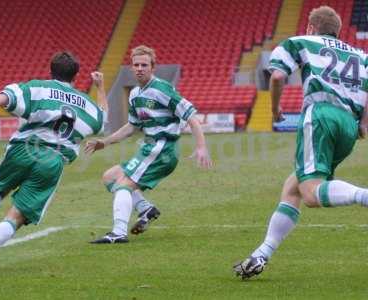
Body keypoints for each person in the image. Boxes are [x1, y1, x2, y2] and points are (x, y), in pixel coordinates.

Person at [234, 6, 368, 279]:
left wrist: (274, 109)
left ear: (310, 27)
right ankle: (262, 254)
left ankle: (364, 196)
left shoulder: (300, 41)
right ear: (337, 31)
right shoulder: (359, 55)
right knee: (293, 186)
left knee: (310, 192)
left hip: (320, 114)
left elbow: (279, 75)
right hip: (348, 125)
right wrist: (363, 124)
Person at [0, 51, 108, 274]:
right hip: (52, 161)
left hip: (24, 148)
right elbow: (102, 121)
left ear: (50, 70)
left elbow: (9, 95)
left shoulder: (39, 87)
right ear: (76, 76)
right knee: (17, 217)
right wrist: (100, 87)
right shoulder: (86, 104)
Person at [85, 45, 212, 243]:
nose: (139, 68)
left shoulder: (162, 89)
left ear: (153, 67)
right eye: (136, 64)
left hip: (162, 149)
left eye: (144, 64)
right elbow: (131, 127)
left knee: (123, 185)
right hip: (150, 148)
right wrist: (105, 142)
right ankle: (146, 209)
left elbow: (191, 117)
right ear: (131, 67)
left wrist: (201, 146)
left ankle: (118, 233)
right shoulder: (135, 94)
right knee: (109, 177)